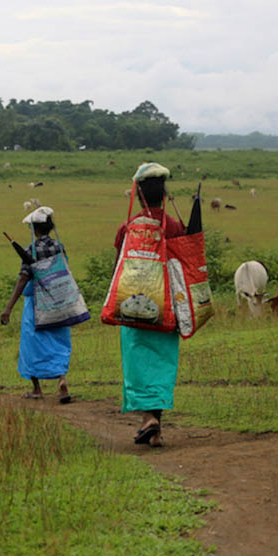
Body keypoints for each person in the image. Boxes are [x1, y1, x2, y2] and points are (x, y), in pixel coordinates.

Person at [114, 163, 184, 447]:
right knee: (161, 363)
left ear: (139, 195)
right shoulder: (176, 227)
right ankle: (156, 426)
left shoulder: (128, 228)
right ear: (163, 195)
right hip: (167, 308)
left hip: (132, 308)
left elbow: (118, 268)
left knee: (139, 363)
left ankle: (148, 419)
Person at [0, 207, 73, 403]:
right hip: (59, 300)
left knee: (31, 344)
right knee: (58, 342)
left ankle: (36, 389)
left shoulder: (30, 250)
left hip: (36, 303)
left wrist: (9, 307)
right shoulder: (60, 246)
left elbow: (24, 278)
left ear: (34, 229)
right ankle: (61, 380)